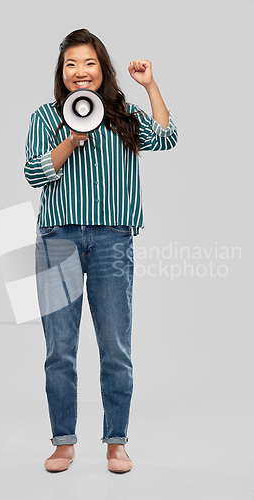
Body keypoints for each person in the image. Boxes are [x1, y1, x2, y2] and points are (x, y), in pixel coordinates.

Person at [24, 28, 178, 473]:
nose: (80, 72)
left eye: (88, 63)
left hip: (113, 240)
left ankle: (116, 442)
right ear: (62, 72)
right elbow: (35, 173)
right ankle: (63, 443)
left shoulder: (123, 113)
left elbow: (166, 137)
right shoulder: (44, 116)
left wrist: (149, 85)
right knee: (60, 349)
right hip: (59, 241)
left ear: (102, 68)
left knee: (115, 347)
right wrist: (70, 140)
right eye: (71, 64)